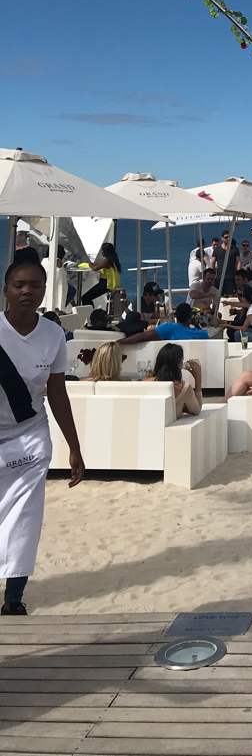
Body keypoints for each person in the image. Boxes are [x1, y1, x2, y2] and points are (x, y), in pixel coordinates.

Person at [0, 250, 84, 616]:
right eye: (19, 285)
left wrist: (74, 447)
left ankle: (13, 599)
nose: (27, 291)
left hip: (30, 435)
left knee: (25, 516)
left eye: (35, 285)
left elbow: (57, 393)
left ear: (44, 290)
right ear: (6, 289)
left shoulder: (53, 334)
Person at [151, 344, 203, 417]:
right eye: (182, 359)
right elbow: (196, 410)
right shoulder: (183, 388)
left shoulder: (145, 382)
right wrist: (198, 378)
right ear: (178, 363)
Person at [121, 302, 209, 344]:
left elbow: (142, 336)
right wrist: (196, 324)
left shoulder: (169, 328)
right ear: (190, 316)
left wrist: (118, 342)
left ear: (175, 315)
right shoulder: (203, 334)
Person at [80, 242, 121, 308]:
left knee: (85, 298)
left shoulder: (107, 260)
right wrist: (96, 265)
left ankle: (90, 313)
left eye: (102, 250)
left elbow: (95, 268)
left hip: (106, 284)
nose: (101, 252)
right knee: (87, 297)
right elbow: (101, 266)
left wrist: (89, 263)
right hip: (112, 283)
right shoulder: (114, 259)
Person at [213, 230, 240, 297]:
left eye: (229, 237)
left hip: (231, 277)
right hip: (219, 277)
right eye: (226, 237)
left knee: (230, 296)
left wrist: (238, 274)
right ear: (222, 238)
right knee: (217, 295)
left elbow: (238, 262)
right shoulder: (217, 250)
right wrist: (212, 274)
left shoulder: (235, 249)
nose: (228, 239)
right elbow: (213, 262)